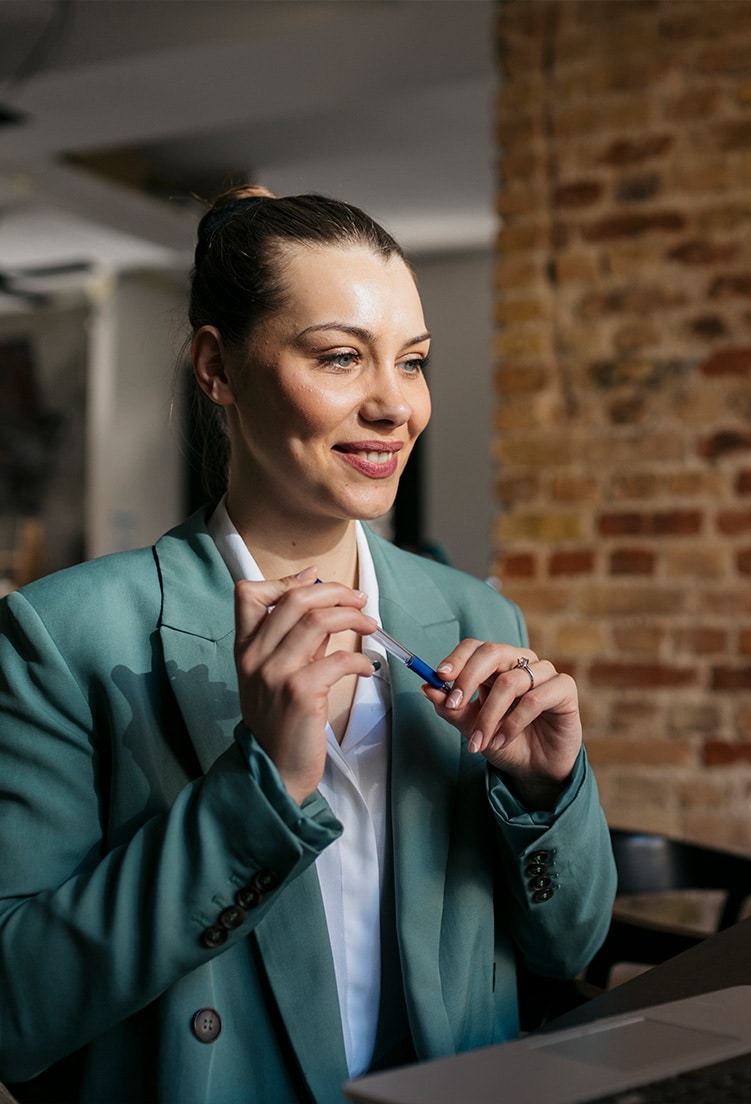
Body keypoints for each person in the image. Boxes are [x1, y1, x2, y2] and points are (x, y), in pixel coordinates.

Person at [0, 187, 616, 1104]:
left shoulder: (476, 617)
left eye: (413, 364)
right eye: (340, 357)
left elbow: (569, 948)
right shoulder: (67, 636)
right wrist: (264, 791)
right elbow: (16, 1011)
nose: (394, 406)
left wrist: (546, 794)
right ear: (217, 366)